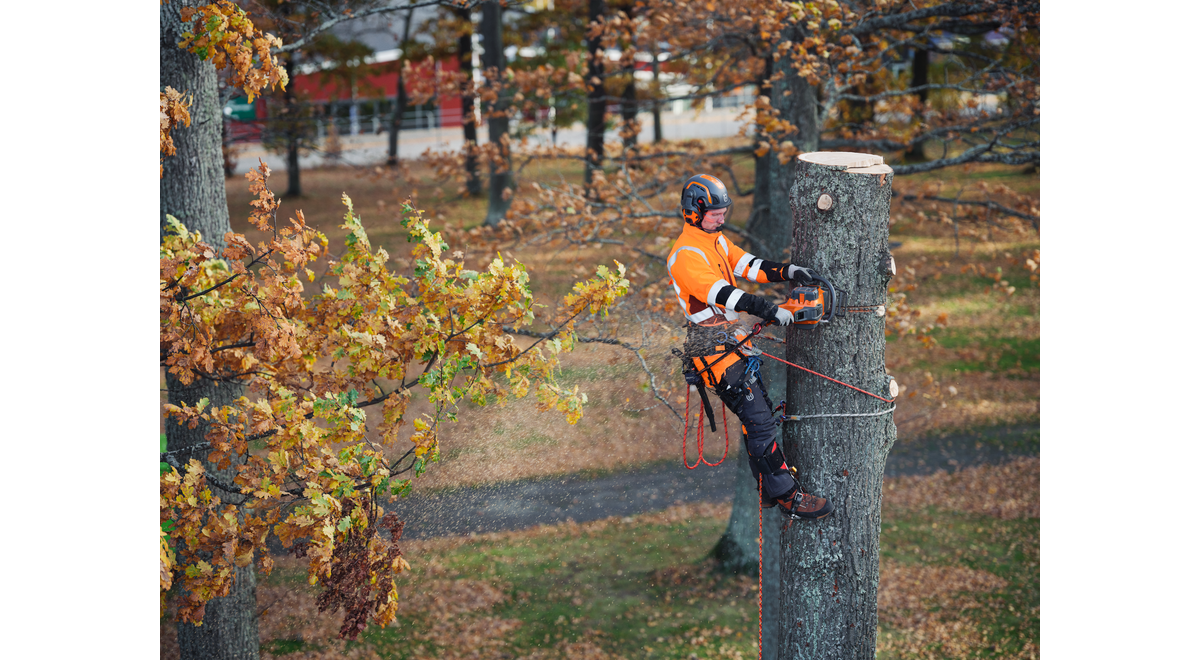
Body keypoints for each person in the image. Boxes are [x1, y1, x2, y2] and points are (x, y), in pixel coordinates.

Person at [668, 174, 832, 520]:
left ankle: (769, 491)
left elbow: (747, 265)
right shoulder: (685, 255)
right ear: (694, 212)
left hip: (729, 346)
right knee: (759, 422)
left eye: (723, 212)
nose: (721, 219)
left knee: (759, 418)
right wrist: (771, 310)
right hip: (714, 354)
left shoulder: (714, 240)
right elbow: (724, 294)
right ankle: (788, 497)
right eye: (715, 214)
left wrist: (788, 271)